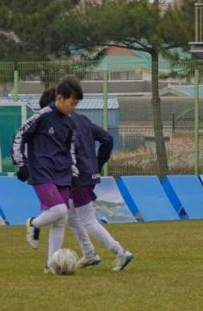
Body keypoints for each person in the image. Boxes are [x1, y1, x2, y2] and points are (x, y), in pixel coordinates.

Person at [38, 88, 134, 271]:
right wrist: (97, 164)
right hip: (86, 174)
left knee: (88, 219)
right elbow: (107, 138)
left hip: (77, 176)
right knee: (72, 217)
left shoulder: (63, 124)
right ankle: (89, 253)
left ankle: (120, 251)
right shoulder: (82, 119)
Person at [12, 76, 82, 272]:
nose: (73, 107)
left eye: (76, 104)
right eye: (72, 102)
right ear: (60, 98)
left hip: (62, 173)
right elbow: (19, 136)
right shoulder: (41, 116)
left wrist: (74, 172)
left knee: (61, 220)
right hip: (41, 171)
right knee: (60, 210)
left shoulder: (69, 122)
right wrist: (21, 163)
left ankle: (51, 265)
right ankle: (33, 223)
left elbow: (70, 150)